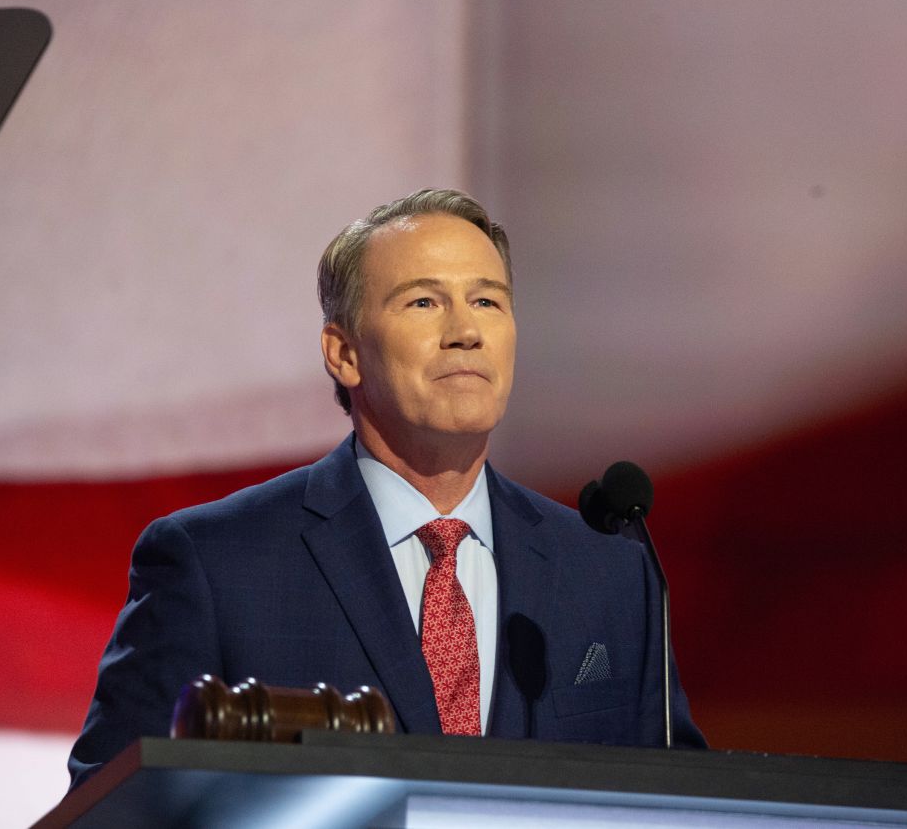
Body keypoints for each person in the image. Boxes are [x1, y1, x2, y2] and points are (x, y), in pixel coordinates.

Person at [67, 189, 704, 789]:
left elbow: (688, 806)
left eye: (488, 301)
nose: (466, 331)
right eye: (424, 302)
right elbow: (111, 805)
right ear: (343, 354)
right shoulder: (216, 564)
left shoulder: (612, 574)